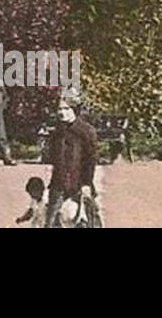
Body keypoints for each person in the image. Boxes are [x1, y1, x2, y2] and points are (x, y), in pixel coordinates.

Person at [46, 95, 98, 226]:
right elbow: (54, 158)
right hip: (59, 182)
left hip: (79, 182)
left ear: (74, 110)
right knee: (51, 221)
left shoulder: (86, 131)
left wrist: (87, 183)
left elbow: (90, 160)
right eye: (59, 109)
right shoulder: (58, 132)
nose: (62, 113)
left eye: (66, 109)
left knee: (86, 222)